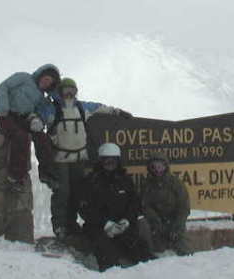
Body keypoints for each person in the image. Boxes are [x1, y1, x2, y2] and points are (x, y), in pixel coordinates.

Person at [36, 77, 133, 239]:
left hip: (79, 158)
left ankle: (71, 225)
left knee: (77, 192)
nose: (69, 93)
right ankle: (60, 226)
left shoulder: (82, 107)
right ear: (60, 92)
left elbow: (100, 108)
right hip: (60, 158)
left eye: (72, 90)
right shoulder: (51, 108)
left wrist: (117, 112)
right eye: (66, 90)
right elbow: (39, 117)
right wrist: (35, 121)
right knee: (62, 192)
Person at [80, 143, 155, 272]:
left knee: (142, 253)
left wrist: (127, 220)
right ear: (100, 161)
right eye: (106, 160)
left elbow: (134, 203)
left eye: (113, 160)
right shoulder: (91, 181)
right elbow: (86, 209)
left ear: (118, 161)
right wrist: (106, 224)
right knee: (110, 260)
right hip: (100, 228)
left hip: (123, 224)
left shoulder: (125, 180)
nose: (110, 163)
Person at [0, 64, 60, 191]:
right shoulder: (24, 78)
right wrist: (3, 108)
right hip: (6, 115)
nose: (46, 83)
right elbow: (4, 86)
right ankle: (15, 177)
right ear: (41, 74)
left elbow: (41, 110)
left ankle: (47, 174)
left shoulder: (41, 96)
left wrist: (37, 120)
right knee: (20, 136)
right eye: (46, 79)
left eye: (49, 83)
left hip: (23, 119)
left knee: (42, 137)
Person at [139, 152, 192, 256]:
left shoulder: (176, 183)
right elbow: (145, 206)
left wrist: (177, 226)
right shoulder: (146, 185)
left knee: (185, 253)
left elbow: (184, 207)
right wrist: (156, 222)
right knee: (157, 253)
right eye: (154, 167)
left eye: (160, 166)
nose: (157, 170)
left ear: (165, 166)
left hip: (174, 221)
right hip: (155, 224)